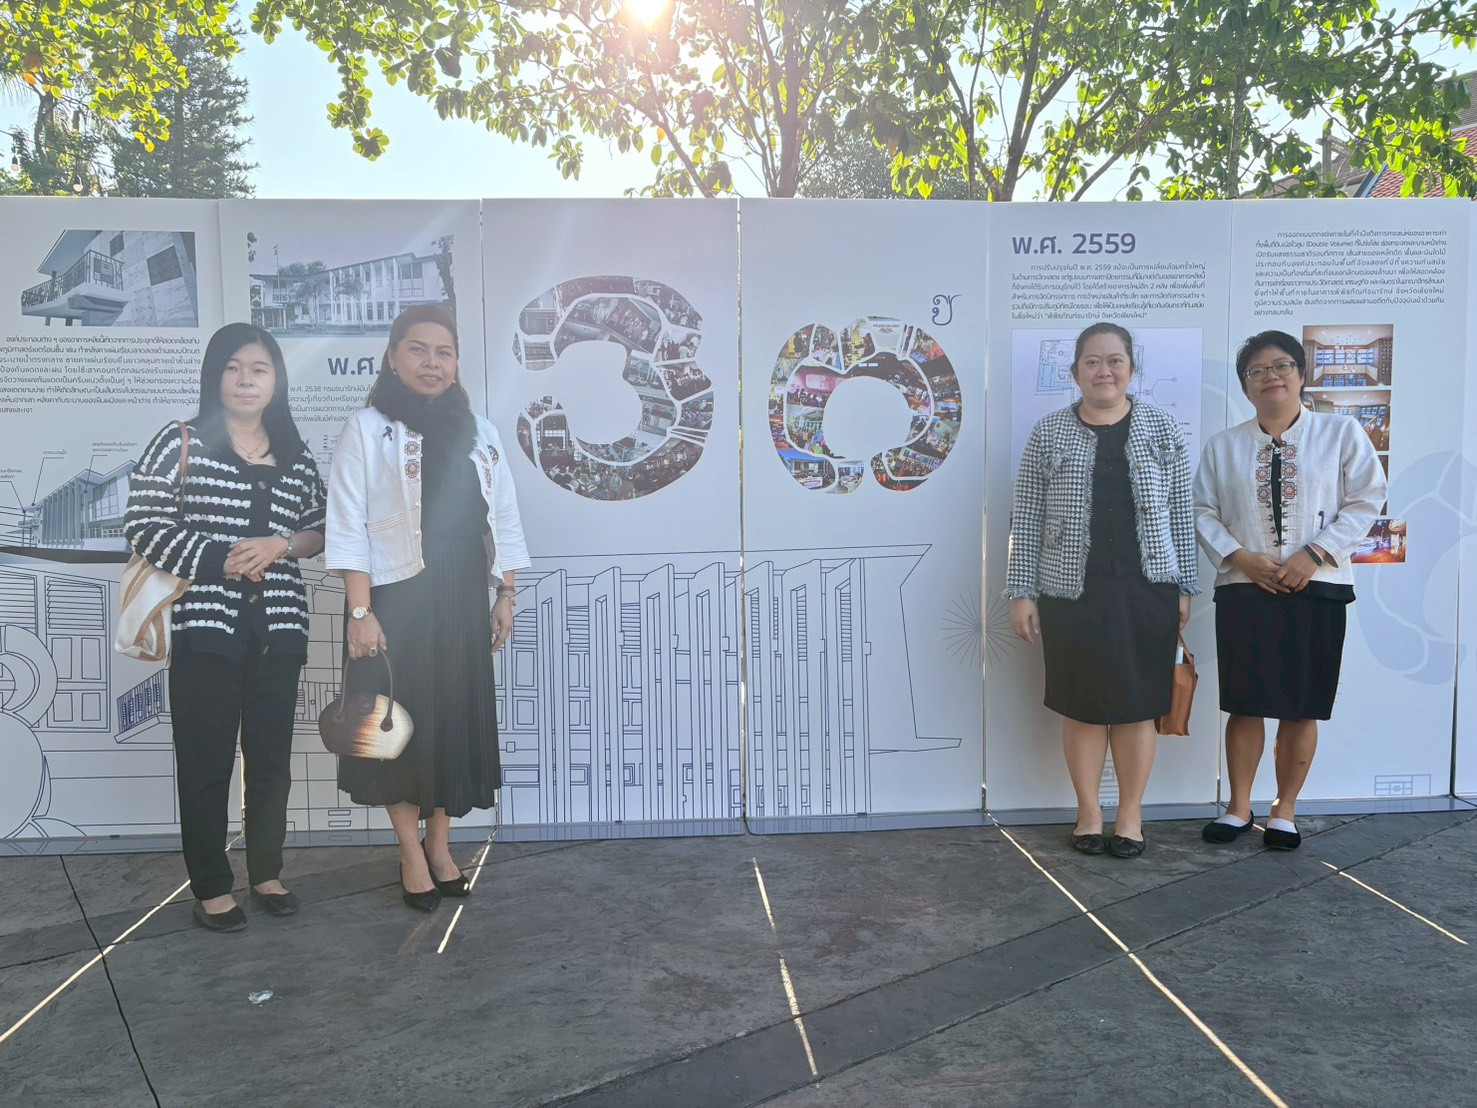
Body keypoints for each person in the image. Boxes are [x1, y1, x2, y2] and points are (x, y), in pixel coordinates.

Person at [325, 305, 531, 912]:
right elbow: (347, 523)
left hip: (462, 591)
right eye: (418, 349)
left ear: (457, 362)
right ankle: (409, 852)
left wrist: (505, 593)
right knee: (399, 722)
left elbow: (504, 517)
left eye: (444, 352)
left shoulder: (481, 431)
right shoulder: (367, 428)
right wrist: (360, 612)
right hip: (394, 596)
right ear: (393, 356)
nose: (432, 362)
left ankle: (439, 845)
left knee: (451, 719)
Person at [124, 323, 326, 932]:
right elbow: (143, 524)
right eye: (233, 367)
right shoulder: (181, 441)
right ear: (215, 375)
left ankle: (266, 872)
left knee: (271, 761)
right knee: (206, 761)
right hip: (205, 629)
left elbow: (322, 528)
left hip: (279, 629)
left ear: (276, 380)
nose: (245, 380)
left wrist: (281, 544)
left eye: (259, 369)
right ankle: (212, 885)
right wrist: (223, 558)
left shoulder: (296, 454)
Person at [1006, 322, 1197, 859]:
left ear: (1131, 368)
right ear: (1075, 372)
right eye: (1092, 361)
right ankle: (1089, 812)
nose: (1104, 370)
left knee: (1138, 707)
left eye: (1115, 360)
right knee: (1083, 706)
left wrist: (1184, 585)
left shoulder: (1161, 427)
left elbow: (1181, 510)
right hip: (1071, 592)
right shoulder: (1048, 432)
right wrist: (1022, 591)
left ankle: (1130, 816)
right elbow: (1027, 515)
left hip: (1147, 588)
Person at [1194, 331, 1385, 850]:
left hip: (1317, 588)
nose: (1271, 376)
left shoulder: (1341, 432)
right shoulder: (1223, 446)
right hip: (1244, 588)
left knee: (1302, 704)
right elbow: (1203, 511)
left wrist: (1315, 553)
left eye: (1281, 366)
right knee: (1245, 703)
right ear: (1246, 386)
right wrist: (1239, 558)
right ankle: (1238, 807)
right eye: (1257, 371)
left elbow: (1368, 497)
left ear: (1301, 375)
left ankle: (1284, 810)